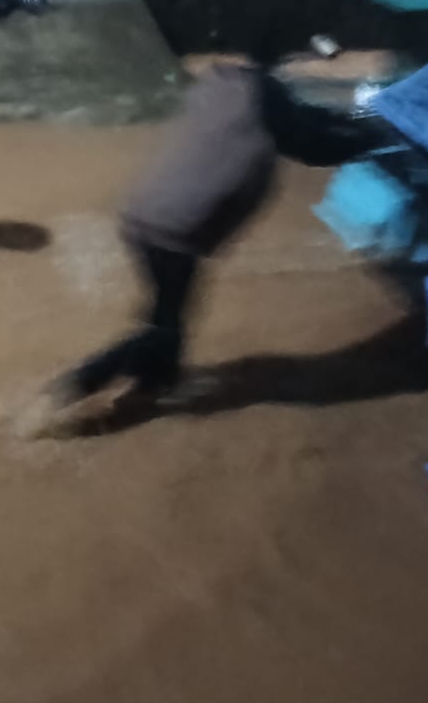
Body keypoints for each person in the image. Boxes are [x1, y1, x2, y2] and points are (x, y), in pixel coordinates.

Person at [24, 32, 385, 432]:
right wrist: (375, 140)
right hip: (174, 226)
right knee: (165, 328)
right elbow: (313, 145)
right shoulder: (268, 100)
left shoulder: (223, 82)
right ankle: (74, 385)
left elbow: (304, 117)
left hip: (144, 212)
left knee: (167, 312)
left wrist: (355, 123)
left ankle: (153, 383)